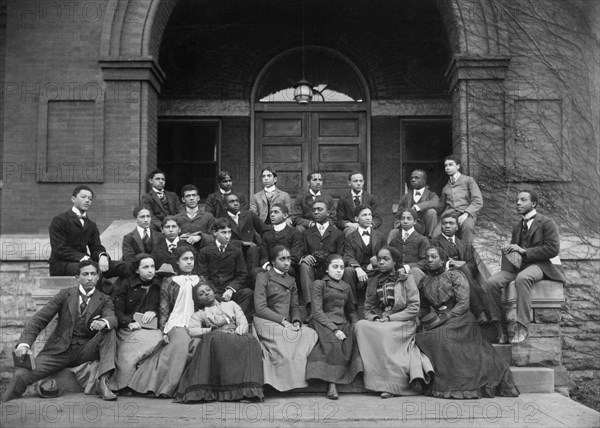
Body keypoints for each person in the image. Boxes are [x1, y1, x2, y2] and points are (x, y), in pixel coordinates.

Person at [2, 260, 117, 402]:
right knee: (21, 375)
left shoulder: (104, 299)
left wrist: (103, 322)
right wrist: (24, 344)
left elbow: (112, 317)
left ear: (98, 277)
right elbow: (39, 319)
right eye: (85, 274)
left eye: (93, 274)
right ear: (77, 278)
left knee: (109, 330)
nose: (89, 278)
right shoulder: (65, 294)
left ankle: (103, 383)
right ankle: (6, 405)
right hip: (58, 352)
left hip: (85, 351)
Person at [415, 247, 519, 399]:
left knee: (443, 338)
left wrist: (446, 317)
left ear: (442, 259)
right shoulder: (425, 281)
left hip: (460, 318)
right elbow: (423, 306)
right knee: (423, 338)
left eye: (433, 256)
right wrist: (420, 319)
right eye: (427, 257)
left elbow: (463, 303)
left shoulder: (455, 275)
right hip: (437, 318)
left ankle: (459, 382)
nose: (429, 260)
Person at [484, 190, 565, 344]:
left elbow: (553, 249)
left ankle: (522, 326)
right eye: (516, 200)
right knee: (491, 283)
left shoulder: (547, 222)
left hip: (541, 265)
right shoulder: (517, 226)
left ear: (533, 203)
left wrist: (524, 251)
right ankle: (500, 328)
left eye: (523, 200)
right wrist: (510, 249)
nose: (518, 203)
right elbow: (517, 250)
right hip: (519, 265)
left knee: (523, 278)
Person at [355, 247, 433, 398]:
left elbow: (414, 308)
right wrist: (375, 319)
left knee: (384, 333)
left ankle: (394, 385)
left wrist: (391, 318)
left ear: (395, 261)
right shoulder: (374, 281)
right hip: (383, 320)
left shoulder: (406, 278)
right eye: (379, 259)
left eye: (386, 259)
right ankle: (375, 380)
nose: (381, 262)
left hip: (403, 320)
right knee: (360, 326)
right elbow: (368, 308)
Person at [128, 245, 202, 398]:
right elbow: (164, 309)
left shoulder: (200, 280)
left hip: (195, 322)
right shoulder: (170, 281)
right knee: (181, 345)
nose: (189, 262)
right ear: (177, 262)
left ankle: (188, 388)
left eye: (191, 259)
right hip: (176, 322)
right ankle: (164, 388)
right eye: (185, 259)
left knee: (197, 345)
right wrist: (164, 331)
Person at [174, 284, 264, 403]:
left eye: (208, 290)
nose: (206, 293)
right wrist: (209, 330)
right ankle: (227, 390)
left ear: (213, 291)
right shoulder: (200, 314)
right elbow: (192, 330)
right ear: (198, 300)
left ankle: (249, 391)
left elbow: (242, 322)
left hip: (236, 333)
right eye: (201, 294)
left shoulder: (231, 304)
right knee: (217, 339)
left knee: (251, 341)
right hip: (217, 334)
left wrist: (237, 333)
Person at [253, 245, 318, 392]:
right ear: (273, 262)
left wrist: (296, 320)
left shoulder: (291, 280)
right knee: (285, 341)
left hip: (286, 322)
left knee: (309, 334)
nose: (287, 262)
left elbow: (294, 306)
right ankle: (278, 382)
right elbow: (260, 308)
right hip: (266, 321)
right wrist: (282, 321)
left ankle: (299, 379)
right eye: (282, 259)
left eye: (288, 259)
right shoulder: (263, 277)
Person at [305, 254, 363, 400]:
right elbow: (317, 312)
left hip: (342, 322)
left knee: (353, 339)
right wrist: (334, 329)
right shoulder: (319, 284)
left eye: (342, 268)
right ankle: (332, 384)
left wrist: (355, 323)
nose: (339, 271)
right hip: (322, 321)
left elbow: (350, 310)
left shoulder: (346, 287)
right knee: (333, 342)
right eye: (335, 267)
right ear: (326, 269)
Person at [109, 254, 164, 394]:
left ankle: (142, 384)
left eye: (152, 266)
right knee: (127, 351)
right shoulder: (125, 285)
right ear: (137, 270)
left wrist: (154, 312)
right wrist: (128, 322)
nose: (150, 270)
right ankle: (123, 385)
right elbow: (117, 310)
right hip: (127, 328)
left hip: (150, 329)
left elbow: (164, 307)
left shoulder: (159, 285)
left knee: (156, 341)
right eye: (145, 267)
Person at [49, 185, 125, 278]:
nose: (87, 200)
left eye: (90, 198)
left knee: (122, 267)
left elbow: (96, 247)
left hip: (86, 263)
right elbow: (59, 249)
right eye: (83, 197)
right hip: (62, 265)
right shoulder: (59, 220)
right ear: (73, 199)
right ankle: (107, 291)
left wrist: (102, 256)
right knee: (91, 269)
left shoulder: (91, 225)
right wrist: (84, 258)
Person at [431, 213, 490, 324]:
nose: (447, 226)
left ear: (457, 227)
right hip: (443, 276)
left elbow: (473, 265)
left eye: (451, 223)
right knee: (473, 283)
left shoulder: (463, 244)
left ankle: (488, 316)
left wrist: (463, 265)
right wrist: (449, 265)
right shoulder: (434, 242)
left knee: (476, 282)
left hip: (463, 276)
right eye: (444, 223)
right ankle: (481, 312)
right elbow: (431, 263)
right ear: (441, 226)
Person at [198, 218, 254, 318]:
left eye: (229, 232)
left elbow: (242, 274)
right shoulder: (205, 251)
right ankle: (220, 319)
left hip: (230, 290)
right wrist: (213, 292)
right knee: (206, 297)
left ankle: (235, 318)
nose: (227, 236)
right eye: (223, 232)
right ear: (215, 233)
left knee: (248, 294)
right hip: (213, 290)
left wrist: (231, 289)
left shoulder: (236, 251)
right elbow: (203, 275)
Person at [300, 200, 344, 323]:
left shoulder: (337, 234)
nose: (316, 212)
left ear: (328, 213)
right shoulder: (306, 233)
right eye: (314, 210)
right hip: (312, 270)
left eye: (320, 209)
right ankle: (310, 308)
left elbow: (340, 255)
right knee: (304, 266)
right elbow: (302, 251)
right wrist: (305, 257)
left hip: (329, 271)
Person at [436, 155, 483, 245]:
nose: (447, 167)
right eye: (446, 165)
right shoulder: (446, 187)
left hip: (467, 213)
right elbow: (440, 207)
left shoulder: (468, 180)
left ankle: (467, 255)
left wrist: (466, 214)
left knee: (467, 227)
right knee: (436, 233)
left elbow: (478, 201)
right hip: (450, 214)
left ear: (457, 166)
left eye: (450, 165)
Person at [342, 205, 386, 297]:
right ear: (356, 219)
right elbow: (348, 256)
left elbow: (385, 255)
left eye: (370, 215)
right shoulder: (350, 237)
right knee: (347, 271)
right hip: (358, 269)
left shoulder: (380, 236)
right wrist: (357, 268)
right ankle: (352, 307)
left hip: (375, 268)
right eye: (364, 215)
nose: (368, 218)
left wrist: (374, 264)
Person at [388, 169, 439, 242]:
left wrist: (417, 207)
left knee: (431, 212)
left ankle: (430, 240)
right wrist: (397, 224)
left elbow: (436, 202)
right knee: (393, 233)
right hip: (408, 228)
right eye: (412, 178)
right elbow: (398, 214)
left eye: (416, 178)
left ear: (424, 181)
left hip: (425, 229)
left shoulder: (431, 195)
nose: (413, 180)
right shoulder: (405, 197)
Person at [222, 193, 266, 275]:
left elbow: (264, 230)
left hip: (251, 252)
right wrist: (242, 243)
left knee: (254, 250)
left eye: (237, 201)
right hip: (232, 251)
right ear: (225, 206)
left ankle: (252, 278)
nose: (235, 203)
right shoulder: (222, 219)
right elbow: (221, 241)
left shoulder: (249, 215)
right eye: (231, 202)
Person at [258, 203, 303, 276]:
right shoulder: (266, 235)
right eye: (271, 212)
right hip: (269, 267)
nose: (272, 215)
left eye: (276, 212)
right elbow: (264, 256)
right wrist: (268, 266)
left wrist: (279, 266)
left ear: (285, 215)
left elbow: (295, 257)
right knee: (256, 272)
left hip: (287, 267)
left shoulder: (295, 233)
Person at [388, 208, 428, 285]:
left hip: (415, 275)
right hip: (397, 274)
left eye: (409, 219)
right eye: (403, 218)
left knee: (414, 272)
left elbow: (425, 261)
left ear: (415, 221)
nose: (405, 221)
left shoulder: (422, 239)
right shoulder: (394, 240)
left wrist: (406, 268)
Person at [174, 184, 215, 250]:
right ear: (183, 199)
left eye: (194, 195)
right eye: (188, 196)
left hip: (203, 252)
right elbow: (171, 238)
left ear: (198, 198)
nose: (191, 198)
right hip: (183, 253)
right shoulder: (176, 218)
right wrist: (179, 238)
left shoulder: (208, 217)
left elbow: (214, 237)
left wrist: (200, 236)